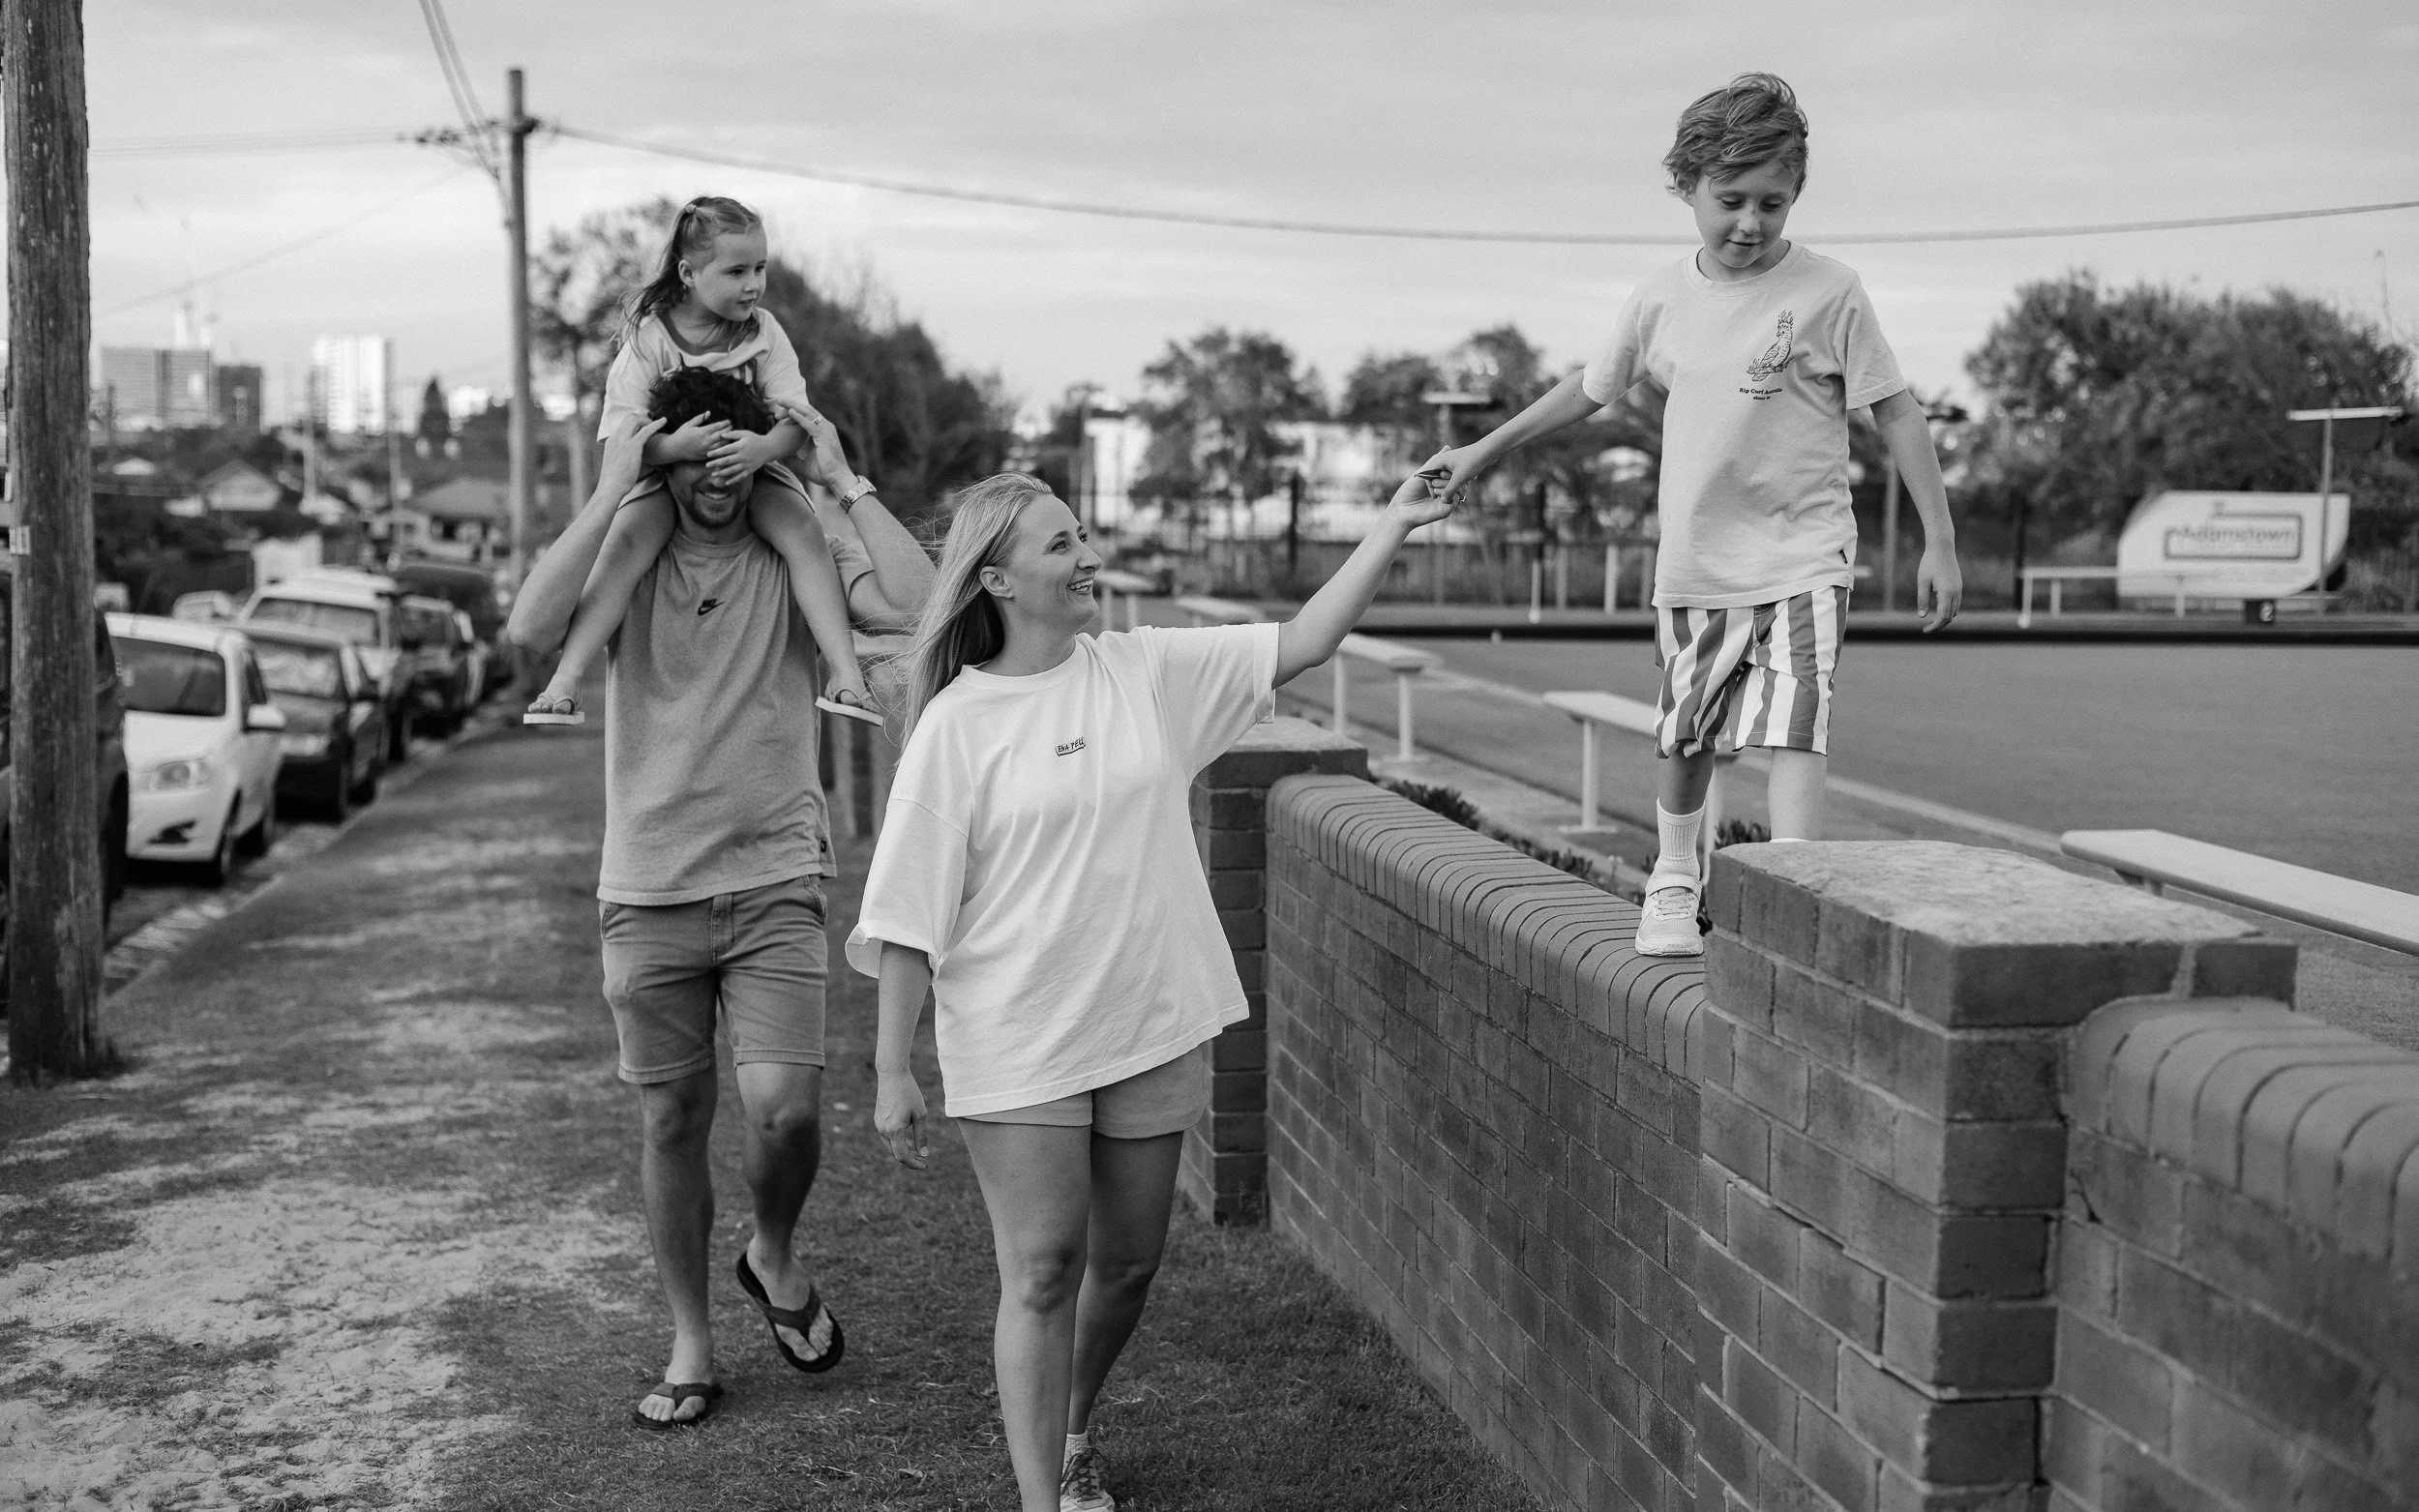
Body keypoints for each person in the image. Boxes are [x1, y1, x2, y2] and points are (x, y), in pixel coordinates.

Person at [851, 464, 1453, 1511]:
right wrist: (890, 1066)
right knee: (1042, 1270)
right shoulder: (955, 724)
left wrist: (1393, 524)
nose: (1088, 557)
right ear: (994, 580)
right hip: (1018, 1036)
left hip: (1147, 1019)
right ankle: (1043, 1500)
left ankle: (1075, 1427)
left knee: (1125, 1268)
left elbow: (1303, 641)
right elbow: (907, 910)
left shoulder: (1144, 672)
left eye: (1082, 534)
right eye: (1059, 543)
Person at [1432, 72, 1961, 957]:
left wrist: (1938, 540)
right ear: (1686, 185)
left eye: (1772, 203)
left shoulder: (1831, 291)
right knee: (1687, 736)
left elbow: (1896, 409)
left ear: (1796, 197)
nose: (1750, 224)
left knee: (1798, 730)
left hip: (1804, 557)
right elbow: (1590, 390)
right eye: (1730, 201)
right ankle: (1676, 873)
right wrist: (1483, 450)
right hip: (1697, 564)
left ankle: (1797, 899)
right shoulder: (1659, 297)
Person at [504, 368, 932, 1431]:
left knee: (784, 1110)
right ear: (665, 458)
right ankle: (691, 1336)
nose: (710, 483)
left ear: (753, 458)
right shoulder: (636, 540)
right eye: (687, 460)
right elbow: (527, 630)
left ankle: (772, 1249)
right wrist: (617, 481)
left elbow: (922, 608)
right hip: (649, 882)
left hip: (778, 869)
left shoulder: (799, 547)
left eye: (727, 461)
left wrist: (838, 476)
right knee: (671, 1119)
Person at [524, 194, 878, 727]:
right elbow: (620, 441)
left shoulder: (764, 333)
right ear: (689, 273)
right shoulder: (650, 340)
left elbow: (797, 420)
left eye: (760, 268)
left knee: (805, 535)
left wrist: (761, 450)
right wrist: (674, 450)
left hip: (752, 474)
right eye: (736, 271)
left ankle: (847, 675)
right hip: (671, 480)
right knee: (623, 547)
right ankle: (567, 680)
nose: (753, 284)